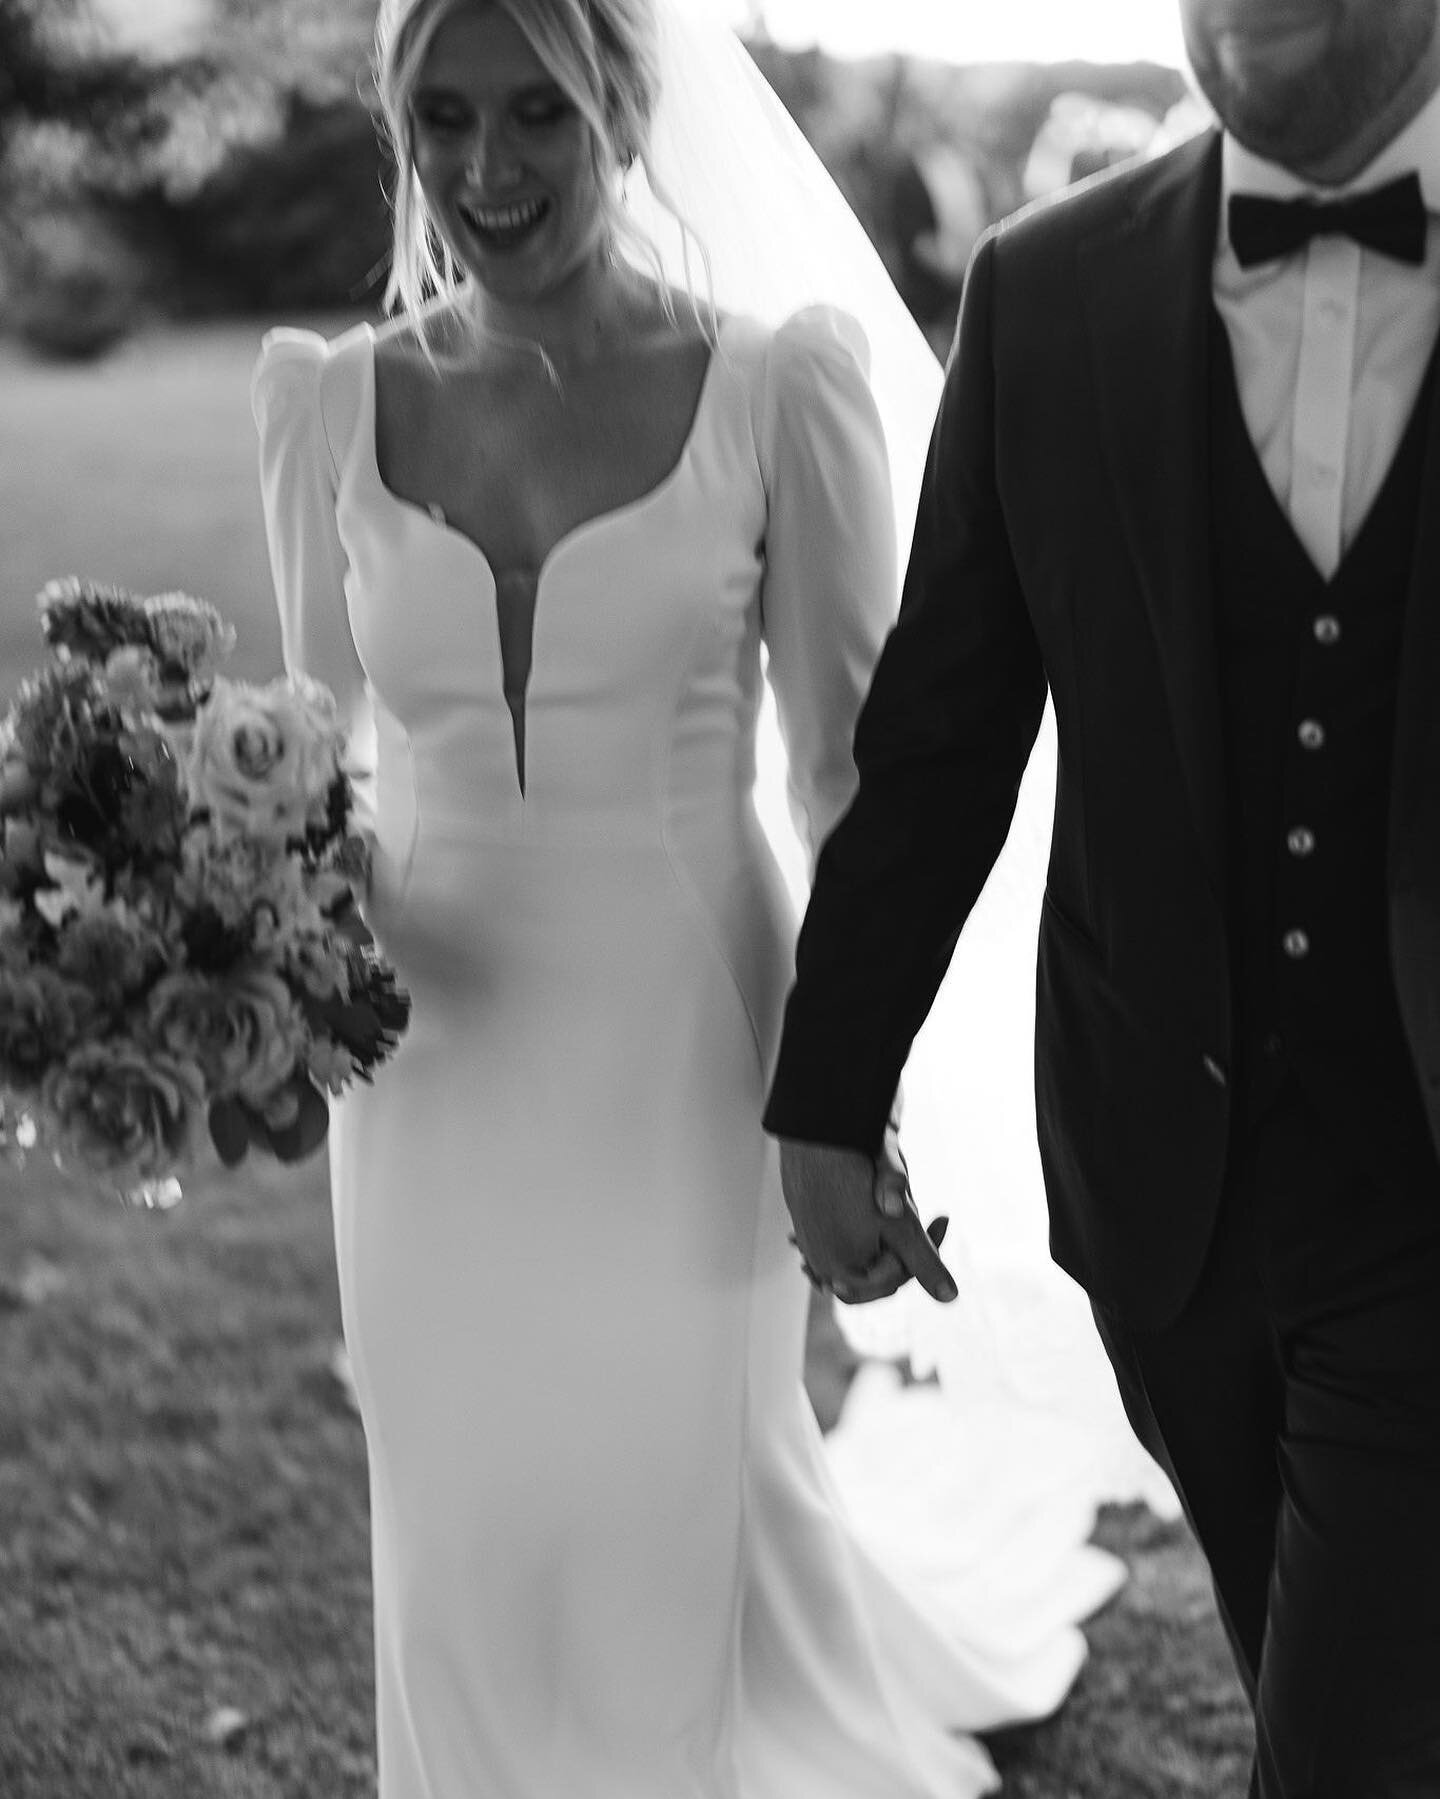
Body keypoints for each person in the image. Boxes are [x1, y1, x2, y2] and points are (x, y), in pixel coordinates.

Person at [251, 1, 1119, 1793]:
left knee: (663, 1497)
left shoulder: (773, 387)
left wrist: (851, 1090)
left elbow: (849, 777)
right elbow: (308, 761)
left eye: (540, 116)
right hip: (420, 1070)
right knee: (460, 1500)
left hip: (684, 1043)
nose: (489, 168)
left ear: (627, 112)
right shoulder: (328, 401)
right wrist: (215, 918)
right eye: (447, 116)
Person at [769, 0, 1440, 1792]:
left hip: (1427, 1197)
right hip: (1170, 1208)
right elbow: (939, 740)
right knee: (1309, 1660)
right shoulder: (1047, 291)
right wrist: (831, 1098)